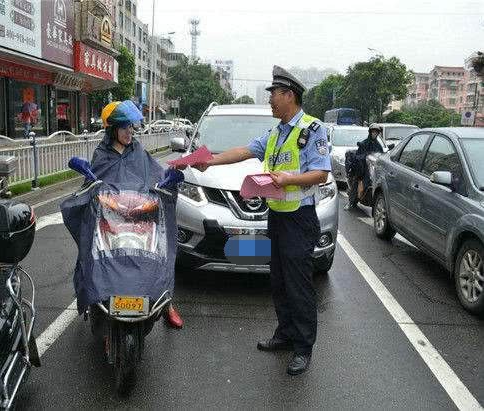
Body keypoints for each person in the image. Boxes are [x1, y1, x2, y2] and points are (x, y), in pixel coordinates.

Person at [183, 66, 331, 374]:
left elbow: (321, 173)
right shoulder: (276, 133)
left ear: (289, 95)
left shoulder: (312, 129)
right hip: (276, 217)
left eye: (274, 95)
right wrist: (208, 161)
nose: (271, 101)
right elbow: (244, 150)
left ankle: (303, 347)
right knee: (278, 279)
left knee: (298, 284)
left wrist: (290, 178)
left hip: (300, 220)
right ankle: (285, 333)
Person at [91, 100, 184, 329]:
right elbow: (92, 183)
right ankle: (94, 300)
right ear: (112, 129)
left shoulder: (138, 151)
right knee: (88, 249)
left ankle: (166, 303)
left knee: (163, 248)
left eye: (131, 127)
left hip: (139, 214)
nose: (129, 132)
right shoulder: (101, 154)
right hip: (109, 217)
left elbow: (155, 174)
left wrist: (168, 179)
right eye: (124, 127)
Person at [344, 123, 384, 210]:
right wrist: (365, 156)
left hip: (373, 169)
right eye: (373, 132)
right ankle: (351, 202)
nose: (374, 133)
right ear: (370, 132)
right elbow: (358, 156)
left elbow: (381, 156)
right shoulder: (363, 143)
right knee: (357, 181)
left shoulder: (378, 145)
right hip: (363, 168)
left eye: (376, 132)